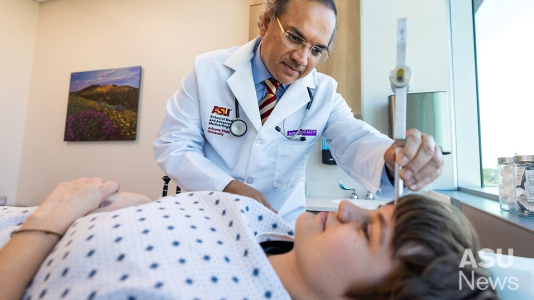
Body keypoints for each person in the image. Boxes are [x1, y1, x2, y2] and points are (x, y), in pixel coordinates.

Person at [153, 0, 444, 224]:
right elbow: (174, 143)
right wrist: (226, 186)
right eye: (294, 37)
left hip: (276, 227)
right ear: (267, 22)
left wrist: (392, 158)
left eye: (317, 50)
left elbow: (355, 140)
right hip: (205, 219)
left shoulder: (324, 94)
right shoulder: (208, 70)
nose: (302, 58)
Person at [0, 178, 496, 300]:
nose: (345, 208)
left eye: (369, 229)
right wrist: (124, 205)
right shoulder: (270, 226)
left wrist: (50, 219)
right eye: (373, 207)